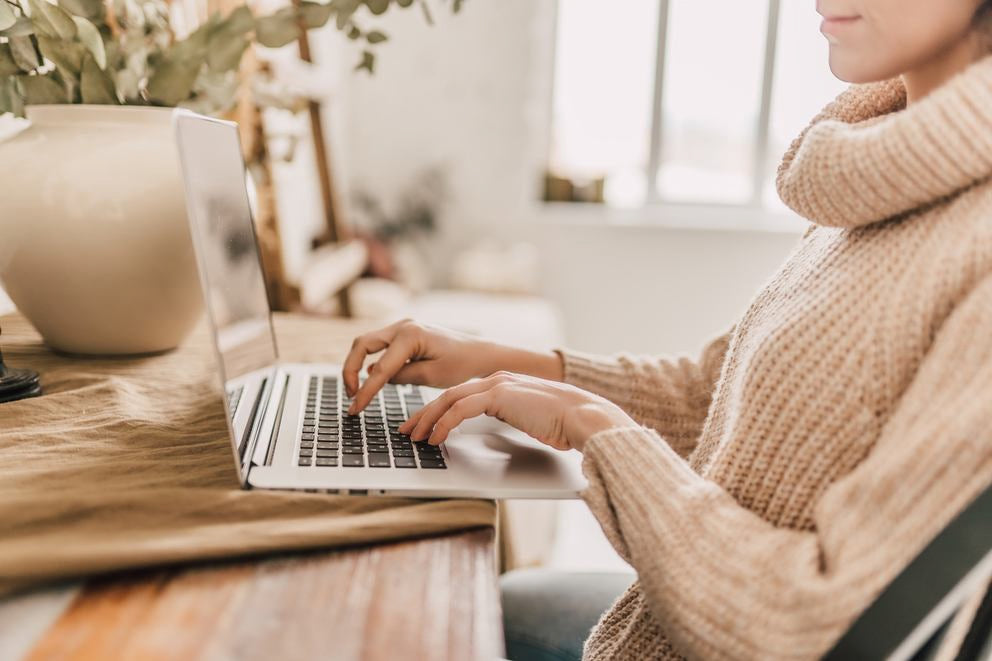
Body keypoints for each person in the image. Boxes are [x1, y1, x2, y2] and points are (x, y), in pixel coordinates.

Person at [342, 0, 992, 658]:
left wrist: (596, 429)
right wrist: (493, 361)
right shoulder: (880, 164)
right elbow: (718, 397)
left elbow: (818, 628)